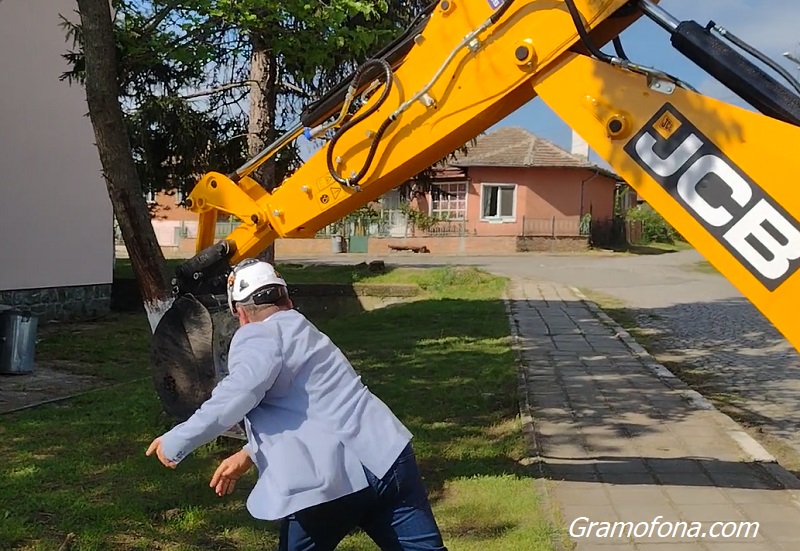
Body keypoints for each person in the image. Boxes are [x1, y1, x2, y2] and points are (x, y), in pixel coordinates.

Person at [146, 258, 448, 550]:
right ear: (286, 298)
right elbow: (313, 406)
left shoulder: (255, 335)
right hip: (389, 457)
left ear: (240, 312)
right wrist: (249, 453)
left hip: (333, 481)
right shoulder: (308, 331)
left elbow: (238, 393)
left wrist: (178, 440)